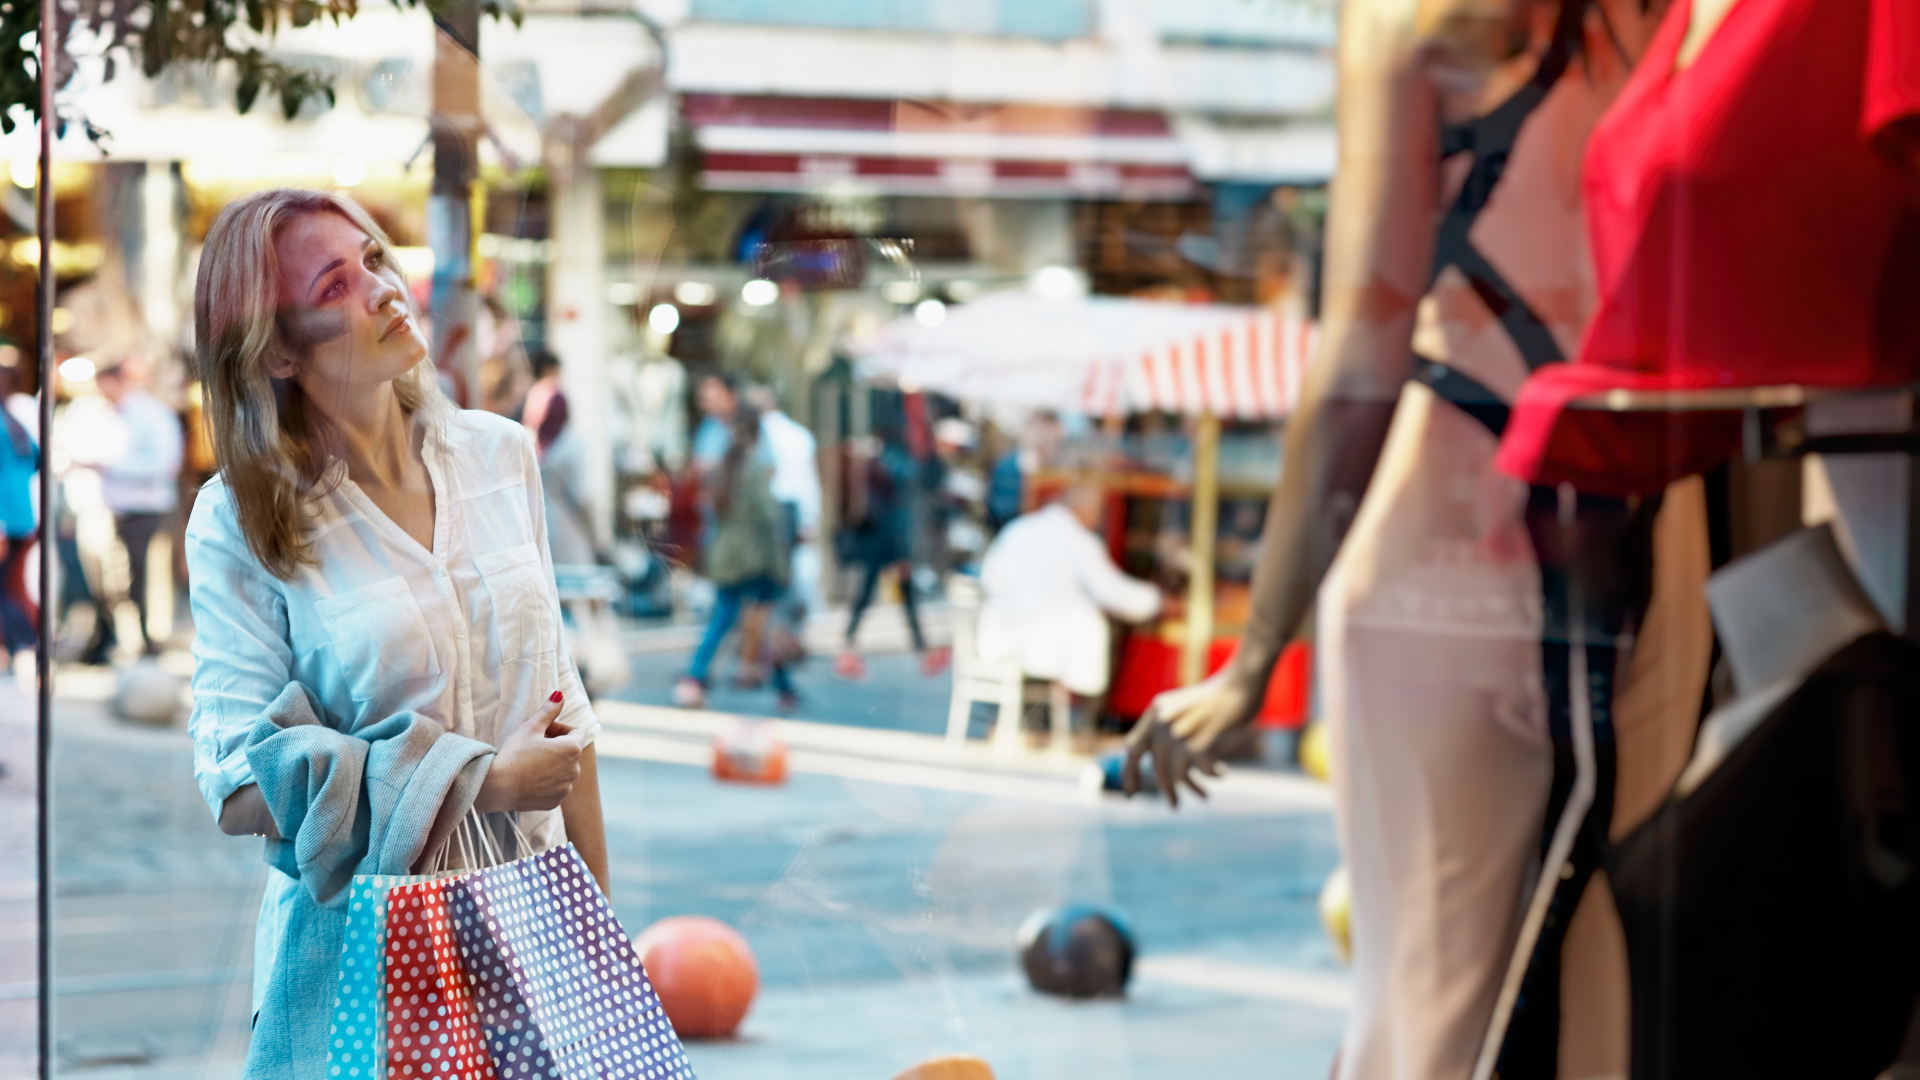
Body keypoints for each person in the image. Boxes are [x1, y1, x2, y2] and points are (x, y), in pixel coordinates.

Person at [183, 189, 608, 1078]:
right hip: (367, 961)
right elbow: (235, 785)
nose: (384, 289)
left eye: (375, 257)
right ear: (281, 353)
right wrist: (481, 784)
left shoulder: (499, 456)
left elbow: (568, 721)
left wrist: (600, 940)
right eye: (337, 283)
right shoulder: (241, 519)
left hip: (534, 930)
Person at [977, 479, 1162, 734]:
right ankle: (1088, 725)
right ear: (1086, 511)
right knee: (1098, 637)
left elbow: (988, 577)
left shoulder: (1017, 530)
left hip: (1005, 636)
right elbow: (1112, 592)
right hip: (1045, 646)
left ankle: (1042, 723)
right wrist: (1157, 599)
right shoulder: (1080, 541)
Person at [674, 406, 797, 711]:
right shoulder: (755, 469)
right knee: (765, 618)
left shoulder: (720, 467)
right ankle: (782, 687)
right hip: (756, 556)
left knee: (724, 617)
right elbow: (768, 514)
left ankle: (694, 678)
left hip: (725, 555)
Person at [75, 356, 183, 660]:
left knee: (143, 578)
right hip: (117, 508)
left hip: (144, 509)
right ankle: (118, 637)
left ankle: (148, 641)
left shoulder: (150, 415)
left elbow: (165, 463)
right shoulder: (114, 415)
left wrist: (109, 467)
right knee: (115, 579)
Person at [835, 431, 945, 680]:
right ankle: (851, 646)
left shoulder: (879, 461)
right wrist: (904, 551)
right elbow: (900, 511)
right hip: (889, 541)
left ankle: (849, 646)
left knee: (874, 596)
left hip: (878, 539)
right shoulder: (902, 466)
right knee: (890, 598)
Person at [0, 359, 36, 673]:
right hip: (22, 517)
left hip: (4, 520)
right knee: (12, 585)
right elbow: (36, 459)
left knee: (5, 588)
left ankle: (23, 642)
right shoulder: (14, 421)